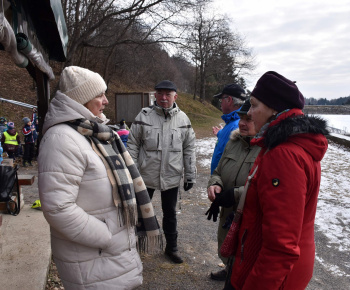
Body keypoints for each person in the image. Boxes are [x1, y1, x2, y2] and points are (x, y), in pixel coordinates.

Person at [38, 66, 161, 289]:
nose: (105, 101)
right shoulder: (62, 139)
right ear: (82, 99)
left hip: (107, 255)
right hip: (93, 257)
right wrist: (107, 236)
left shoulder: (94, 133)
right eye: (100, 95)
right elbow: (57, 208)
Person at [226, 71, 329, 290]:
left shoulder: (284, 154)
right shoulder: (293, 145)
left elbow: (281, 246)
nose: (249, 113)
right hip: (282, 269)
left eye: (254, 105)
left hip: (272, 276)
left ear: (274, 109)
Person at [127, 80, 196, 264]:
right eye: (160, 94)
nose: (164, 98)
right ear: (155, 95)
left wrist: (190, 174)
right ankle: (132, 247)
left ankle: (171, 248)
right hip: (145, 175)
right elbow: (132, 144)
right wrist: (132, 172)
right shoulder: (143, 116)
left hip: (171, 176)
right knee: (138, 212)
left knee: (170, 213)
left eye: (168, 94)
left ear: (175, 96)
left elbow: (189, 148)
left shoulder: (183, 119)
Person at [206, 99, 261, 281]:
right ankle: (229, 269)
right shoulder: (234, 142)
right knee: (228, 247)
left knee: (245, 255)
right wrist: (215, 184)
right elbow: (218, 171)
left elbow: (262, 188)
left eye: (249, 119)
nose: (242, 123)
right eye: (241, 118)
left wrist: (235, 194)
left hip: (249, 217)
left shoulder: (267, 149)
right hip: (228, 212)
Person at [211, 84, 246, 174]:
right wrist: (220, 133)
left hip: (221, 184)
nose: (221, 103)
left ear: (229, 100)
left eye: (221, 99)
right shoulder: (233, 121)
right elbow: (229, 138)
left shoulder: (238, 125)